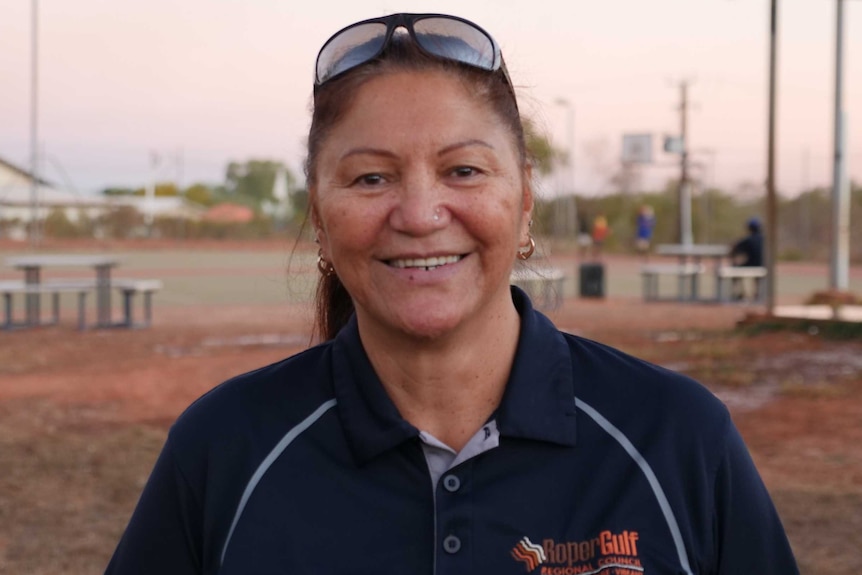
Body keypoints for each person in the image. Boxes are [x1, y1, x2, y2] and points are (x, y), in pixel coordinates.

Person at [105, 13, 798, 574]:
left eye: (463, 169)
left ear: (524, 200)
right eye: (370, 178)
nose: (419, 212)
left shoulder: (675, 437)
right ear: (319, 214)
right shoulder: (225, 448)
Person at [730, 216, 765, 300]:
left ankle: (740, 293)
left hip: (752, 264)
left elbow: (735, 249)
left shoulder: (748, 239)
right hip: (763, 265)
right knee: (756, 269)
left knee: (735, 268)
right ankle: (757, 294)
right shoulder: (764, 239)